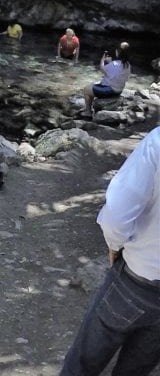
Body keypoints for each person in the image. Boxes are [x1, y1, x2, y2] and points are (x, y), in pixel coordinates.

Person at [59, 125, 160, 376]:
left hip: (137, 279)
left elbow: (116, 214)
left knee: (82, 364)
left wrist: (115, 245)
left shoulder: (157, 143)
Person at [81, 42, 131, 118]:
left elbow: (102, 68)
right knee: (93, 85)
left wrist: (103, 59)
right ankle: (90, 108)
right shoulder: (127, 65)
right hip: (119, 90)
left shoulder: (114, 64)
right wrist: (110, 62)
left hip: (111, 90)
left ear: (118, 52)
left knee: (86, 89)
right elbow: (115, 73)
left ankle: (88, 111)